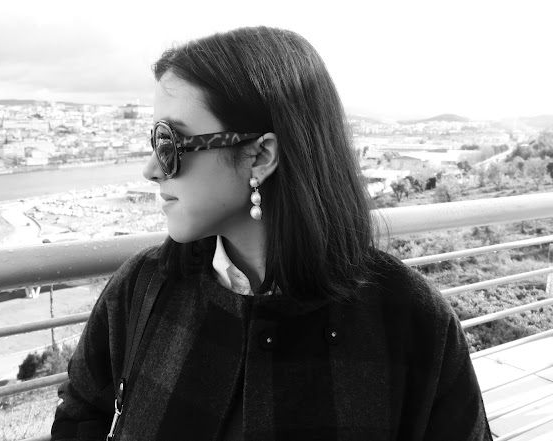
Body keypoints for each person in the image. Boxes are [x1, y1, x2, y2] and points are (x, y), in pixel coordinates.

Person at [51, 26, 492, 440]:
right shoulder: (142, 288)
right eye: (154, 141)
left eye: (170, 143)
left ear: (261, 156)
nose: (151, 169)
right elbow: (79, 417)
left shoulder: (410, 320)